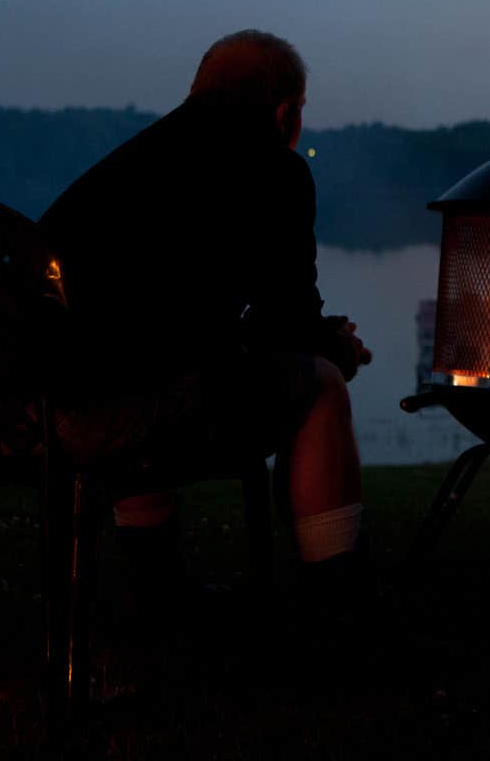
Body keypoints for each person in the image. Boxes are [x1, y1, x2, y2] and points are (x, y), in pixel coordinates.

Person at [39, 30, 372, 618]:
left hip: (26, 413)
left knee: (144, 361)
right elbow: (288, 325)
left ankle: (156, 590)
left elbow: (165, 318)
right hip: (115, 417)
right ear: (285, 113)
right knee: (319, 383)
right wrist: (334, 347)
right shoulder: (275, 169)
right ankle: (333, 604)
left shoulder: (126, 164)